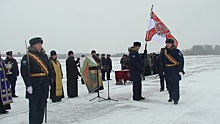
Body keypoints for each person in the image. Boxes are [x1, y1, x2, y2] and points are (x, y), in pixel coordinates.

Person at [21, 37, 51, 123]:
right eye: (38, 44)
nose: (40, 46)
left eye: (41, 44)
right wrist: (28, 85)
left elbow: (49, 70)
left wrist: (49, 81)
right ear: (33, 45)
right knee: (34, 107)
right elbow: (25, 72)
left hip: (44, 84)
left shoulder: (44, 56)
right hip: (34, 84)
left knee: (42, 105)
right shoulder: (27, 57)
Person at [160, 39, 185, 105]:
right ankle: (171, 96)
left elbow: (181, 61)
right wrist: (161, 71)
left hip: (174, 70)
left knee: (175, 85)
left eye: (169, 43)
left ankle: (176, 98)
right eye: (167, 43)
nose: (167, 45)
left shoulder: (177, 51)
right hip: (167, 70)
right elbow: (161, 62)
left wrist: (180, 70)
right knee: (169, 85)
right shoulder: (164, 52)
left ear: (172, 44)